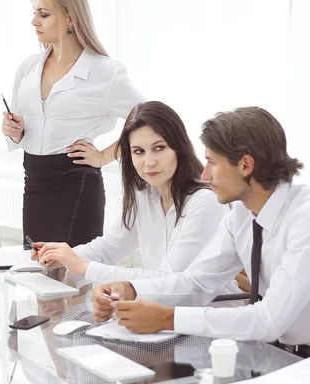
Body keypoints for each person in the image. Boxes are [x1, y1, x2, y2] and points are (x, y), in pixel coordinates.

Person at [92, 107, 310, 366]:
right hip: (277, 356)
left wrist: (168, 318)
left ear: (245, 165)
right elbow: (197, 283)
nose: (204, 175)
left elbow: (269, 319)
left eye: (212, 162)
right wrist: (130, 289)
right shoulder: (242, 215)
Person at [31, 102, 239, 296]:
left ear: (179, 147)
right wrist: (62, 255)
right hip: (162, 314)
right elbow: (105, 250)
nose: (149, 162)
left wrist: (82, 266)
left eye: (159, 148)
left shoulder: (205, 201)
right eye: (138, 152)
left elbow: (168, 280)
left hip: (211, 320)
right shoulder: (144, 197)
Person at [2, 0, 146, 247]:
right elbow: (22, 124)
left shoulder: (104, 72)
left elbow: (149, 119)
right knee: (38, 274)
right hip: (33, 181)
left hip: (75, 184)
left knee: (71, 278)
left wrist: (104, 156)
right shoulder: (28, 68)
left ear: (70, 18)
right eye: (34, 13)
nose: (34, 21)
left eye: (43, 14)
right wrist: (16, 129)